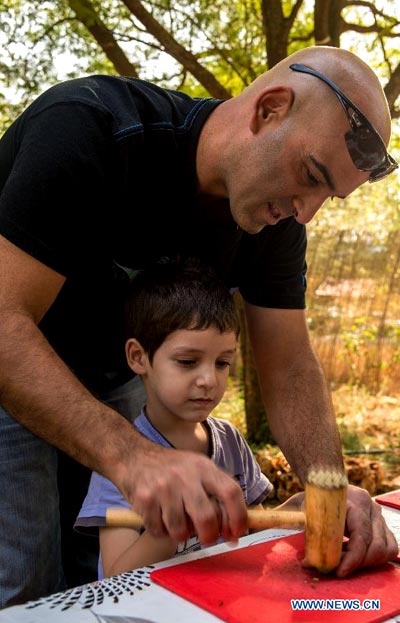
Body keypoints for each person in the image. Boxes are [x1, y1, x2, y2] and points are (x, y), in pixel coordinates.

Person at [0, 44, 398, 608]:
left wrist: (330, 489)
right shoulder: (89, 129)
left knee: (94, 579)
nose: (306, 211)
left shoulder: (276, 225)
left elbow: (288, 365)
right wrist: (132, 455)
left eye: (326, 196)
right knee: (22, 583)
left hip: (115, 375)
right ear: (269, 109)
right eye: (311, 175)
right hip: (13, 360)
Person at [75, 258, 274, 578]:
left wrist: (295, 512)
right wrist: (172, 528)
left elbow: (257, 536)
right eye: (187, 361)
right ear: (138, 357)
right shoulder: (121, 464)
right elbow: (115, 580)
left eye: (222, 362)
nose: (209, 379)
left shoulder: (231, 443)